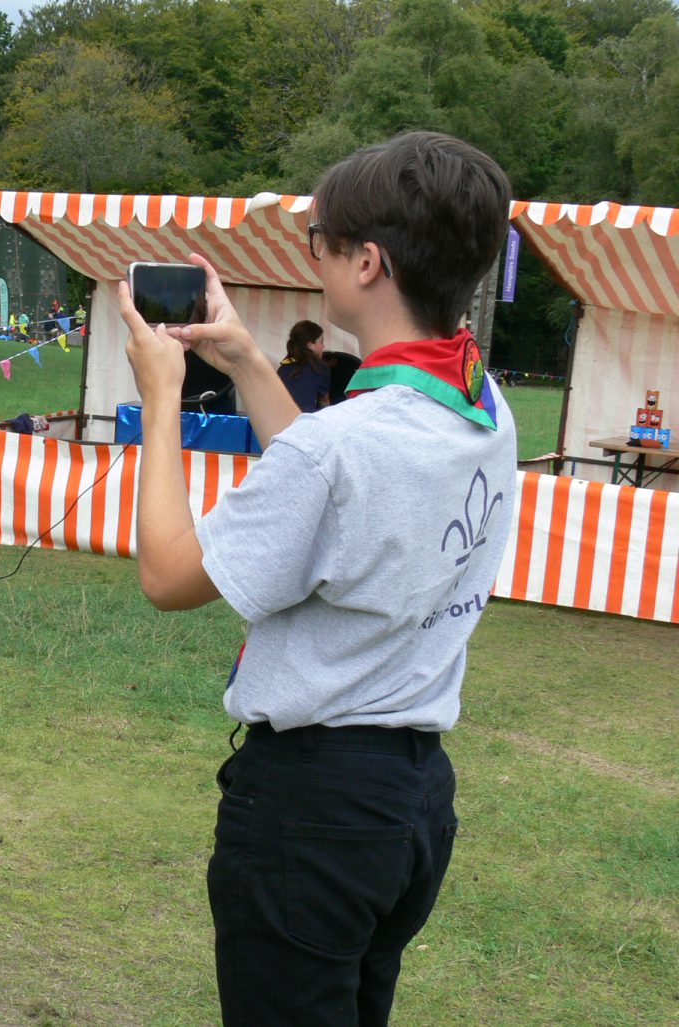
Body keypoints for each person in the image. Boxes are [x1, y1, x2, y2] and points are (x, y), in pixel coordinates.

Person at [118, 131, 516, 1026]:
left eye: (320, 242)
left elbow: (170, 574)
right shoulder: (482, 405)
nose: (316, 257)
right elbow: (332, 467)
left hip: (315, 809)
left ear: (366, 262)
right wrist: (246, 360)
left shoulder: (345, 448)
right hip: (409, 802)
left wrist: (163, 397)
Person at [276, 319, 331, 413]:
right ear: (310, 345)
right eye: (321, 341)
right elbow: (324, 401)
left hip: (281, 421)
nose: (323, 346)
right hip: (304, 422)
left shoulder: (282, 368)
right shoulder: (320, 368)